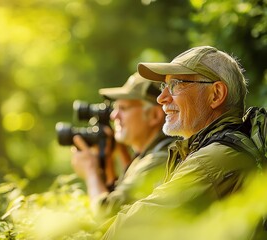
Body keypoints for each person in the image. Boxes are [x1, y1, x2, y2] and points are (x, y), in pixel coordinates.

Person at [102, 46, 263, 239]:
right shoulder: (212, 150)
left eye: (176, 85)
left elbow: (132, 227)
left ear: (216, 94)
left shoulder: (213, 159)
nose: (162, 98)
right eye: (164, 87)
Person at [71, 72, 175, 219]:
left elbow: (108, 213)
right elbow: (120, 192)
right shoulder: (149, 153)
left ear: (154, 116)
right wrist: (109, 160)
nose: (113, 116)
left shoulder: (161, 158)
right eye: (115, 108)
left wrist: (90, 171)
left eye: (123, 108)